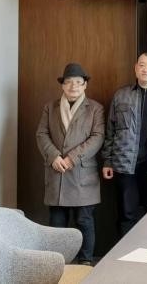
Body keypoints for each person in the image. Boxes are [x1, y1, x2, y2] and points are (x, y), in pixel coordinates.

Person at [102, 52, 147, 235]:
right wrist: (107, 161)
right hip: (126, 166)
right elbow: (111, 130)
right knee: (126, 214)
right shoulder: (121, 95)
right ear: (136, 68)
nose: (146, 70)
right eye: (142, 65)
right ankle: (125, 251)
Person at [36, 63, 104, 265]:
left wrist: (72, 158)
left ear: (85, 85)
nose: (73, 86)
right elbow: (41, 134)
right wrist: (54, 157)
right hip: (57, 172)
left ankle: (85, 262)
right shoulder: (50, 107)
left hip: (82, 174)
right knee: (57, 224)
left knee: (84, 221)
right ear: (62, 85)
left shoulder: (95, 108)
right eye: (68, 82)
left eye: (78, 82)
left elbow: (98, 137)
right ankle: (58, 264)